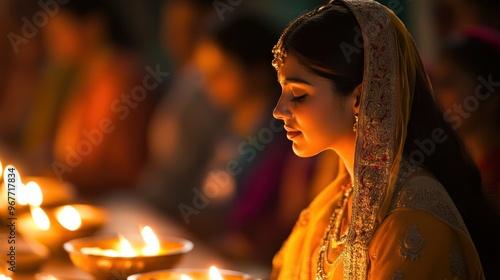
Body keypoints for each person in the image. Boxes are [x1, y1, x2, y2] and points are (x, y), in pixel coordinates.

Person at [269, 0, 500, 279]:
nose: (279, 111)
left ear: (359, 99)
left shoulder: (413, 218)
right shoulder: (334, 204)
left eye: (299, 95)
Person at [433, 27, 500, 212]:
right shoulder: (458, 170)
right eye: (435, 84)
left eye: (447, 83)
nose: (436, 95)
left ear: (491, 95)